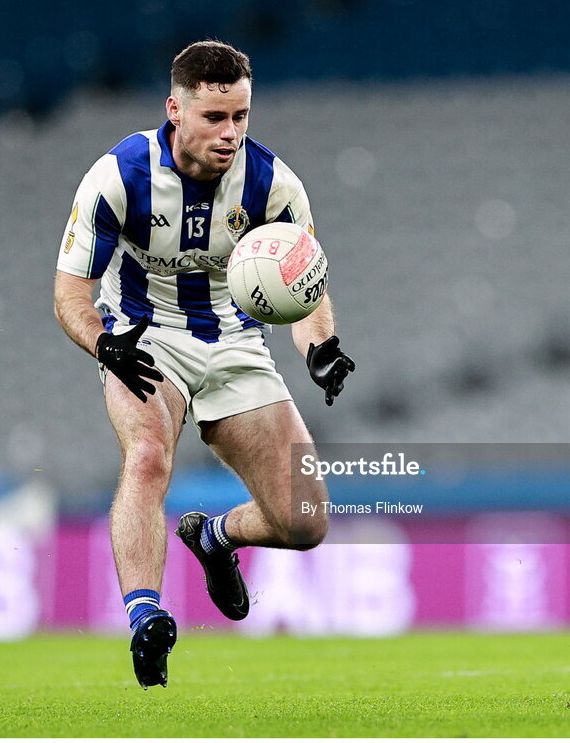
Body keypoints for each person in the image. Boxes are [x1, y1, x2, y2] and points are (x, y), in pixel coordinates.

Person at [53, 40, 355, 689]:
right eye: (215, 117)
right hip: (143, 338)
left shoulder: (273, 183)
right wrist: (104, 343)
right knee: (148, 455)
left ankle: (214, 538)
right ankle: (146, 618)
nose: (231, 132)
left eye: (241, 116)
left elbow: (305, 284)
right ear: (175, 110)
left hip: (236, 343)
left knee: (305, 524)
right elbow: (70, 291)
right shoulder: (120, 174)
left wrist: (319, 348)